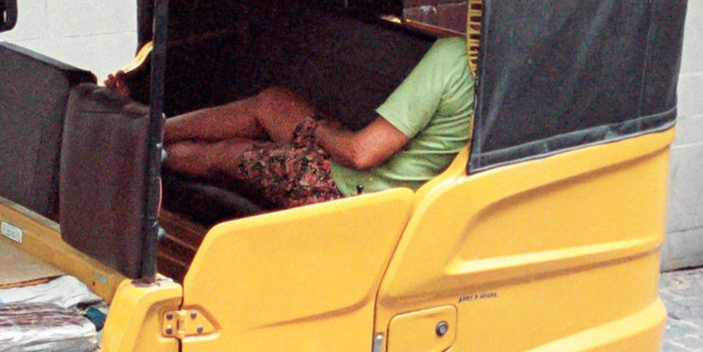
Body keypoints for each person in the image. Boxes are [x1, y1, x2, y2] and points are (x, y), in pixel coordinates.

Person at [151, 33, 475, 210]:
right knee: (272, 103)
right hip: (362, 169)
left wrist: (319, 131)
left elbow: (360, 154)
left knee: (229, 152)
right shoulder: (496, 69)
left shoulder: (455, 58)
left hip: (354, 193)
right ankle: (152, 129)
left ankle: (147, 156)